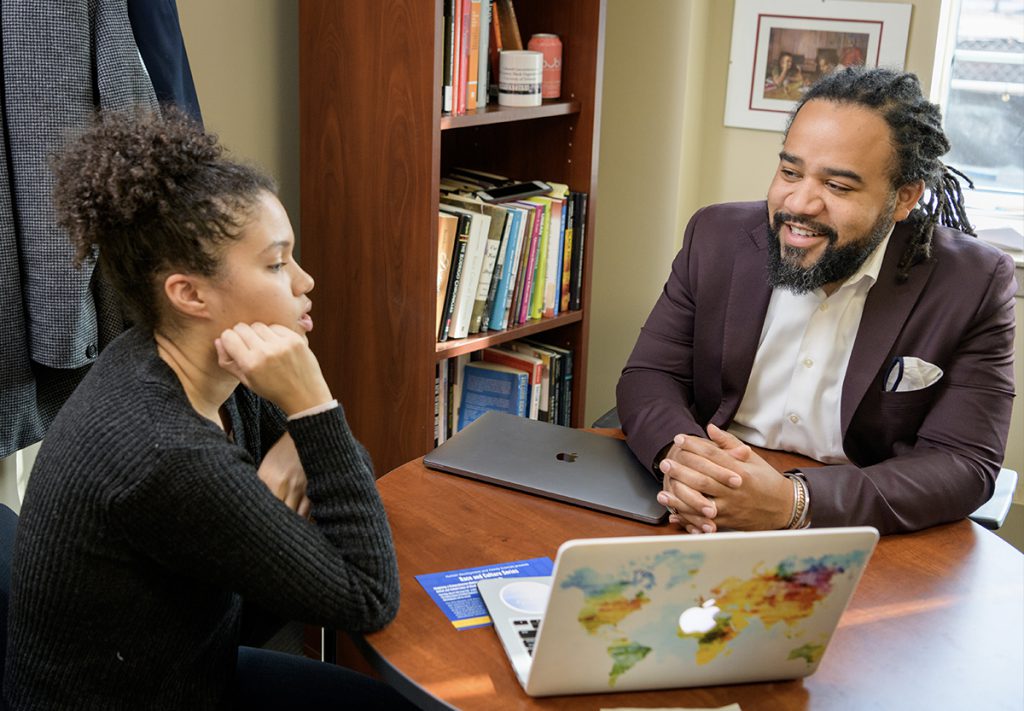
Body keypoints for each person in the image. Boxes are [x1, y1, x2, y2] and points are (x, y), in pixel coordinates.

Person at [3, 110, 411, 709]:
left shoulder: (197, 360)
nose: (306, 280)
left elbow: (337, 477)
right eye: (276, 264)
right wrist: (313, 405)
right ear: (189, 293)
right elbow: (369, 597)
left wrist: (303, 433)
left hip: (193, 669)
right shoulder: (165, 454)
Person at [617, 67, 1016, 537]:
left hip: (854, 521)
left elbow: (964, 462)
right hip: (703, 504)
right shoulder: (716, 236)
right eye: (790, 172)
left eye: (837, 186)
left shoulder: (972, 282)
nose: (800, 203)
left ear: (903, 198)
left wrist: (797, 503)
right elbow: (650, 375)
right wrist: (683, 459)